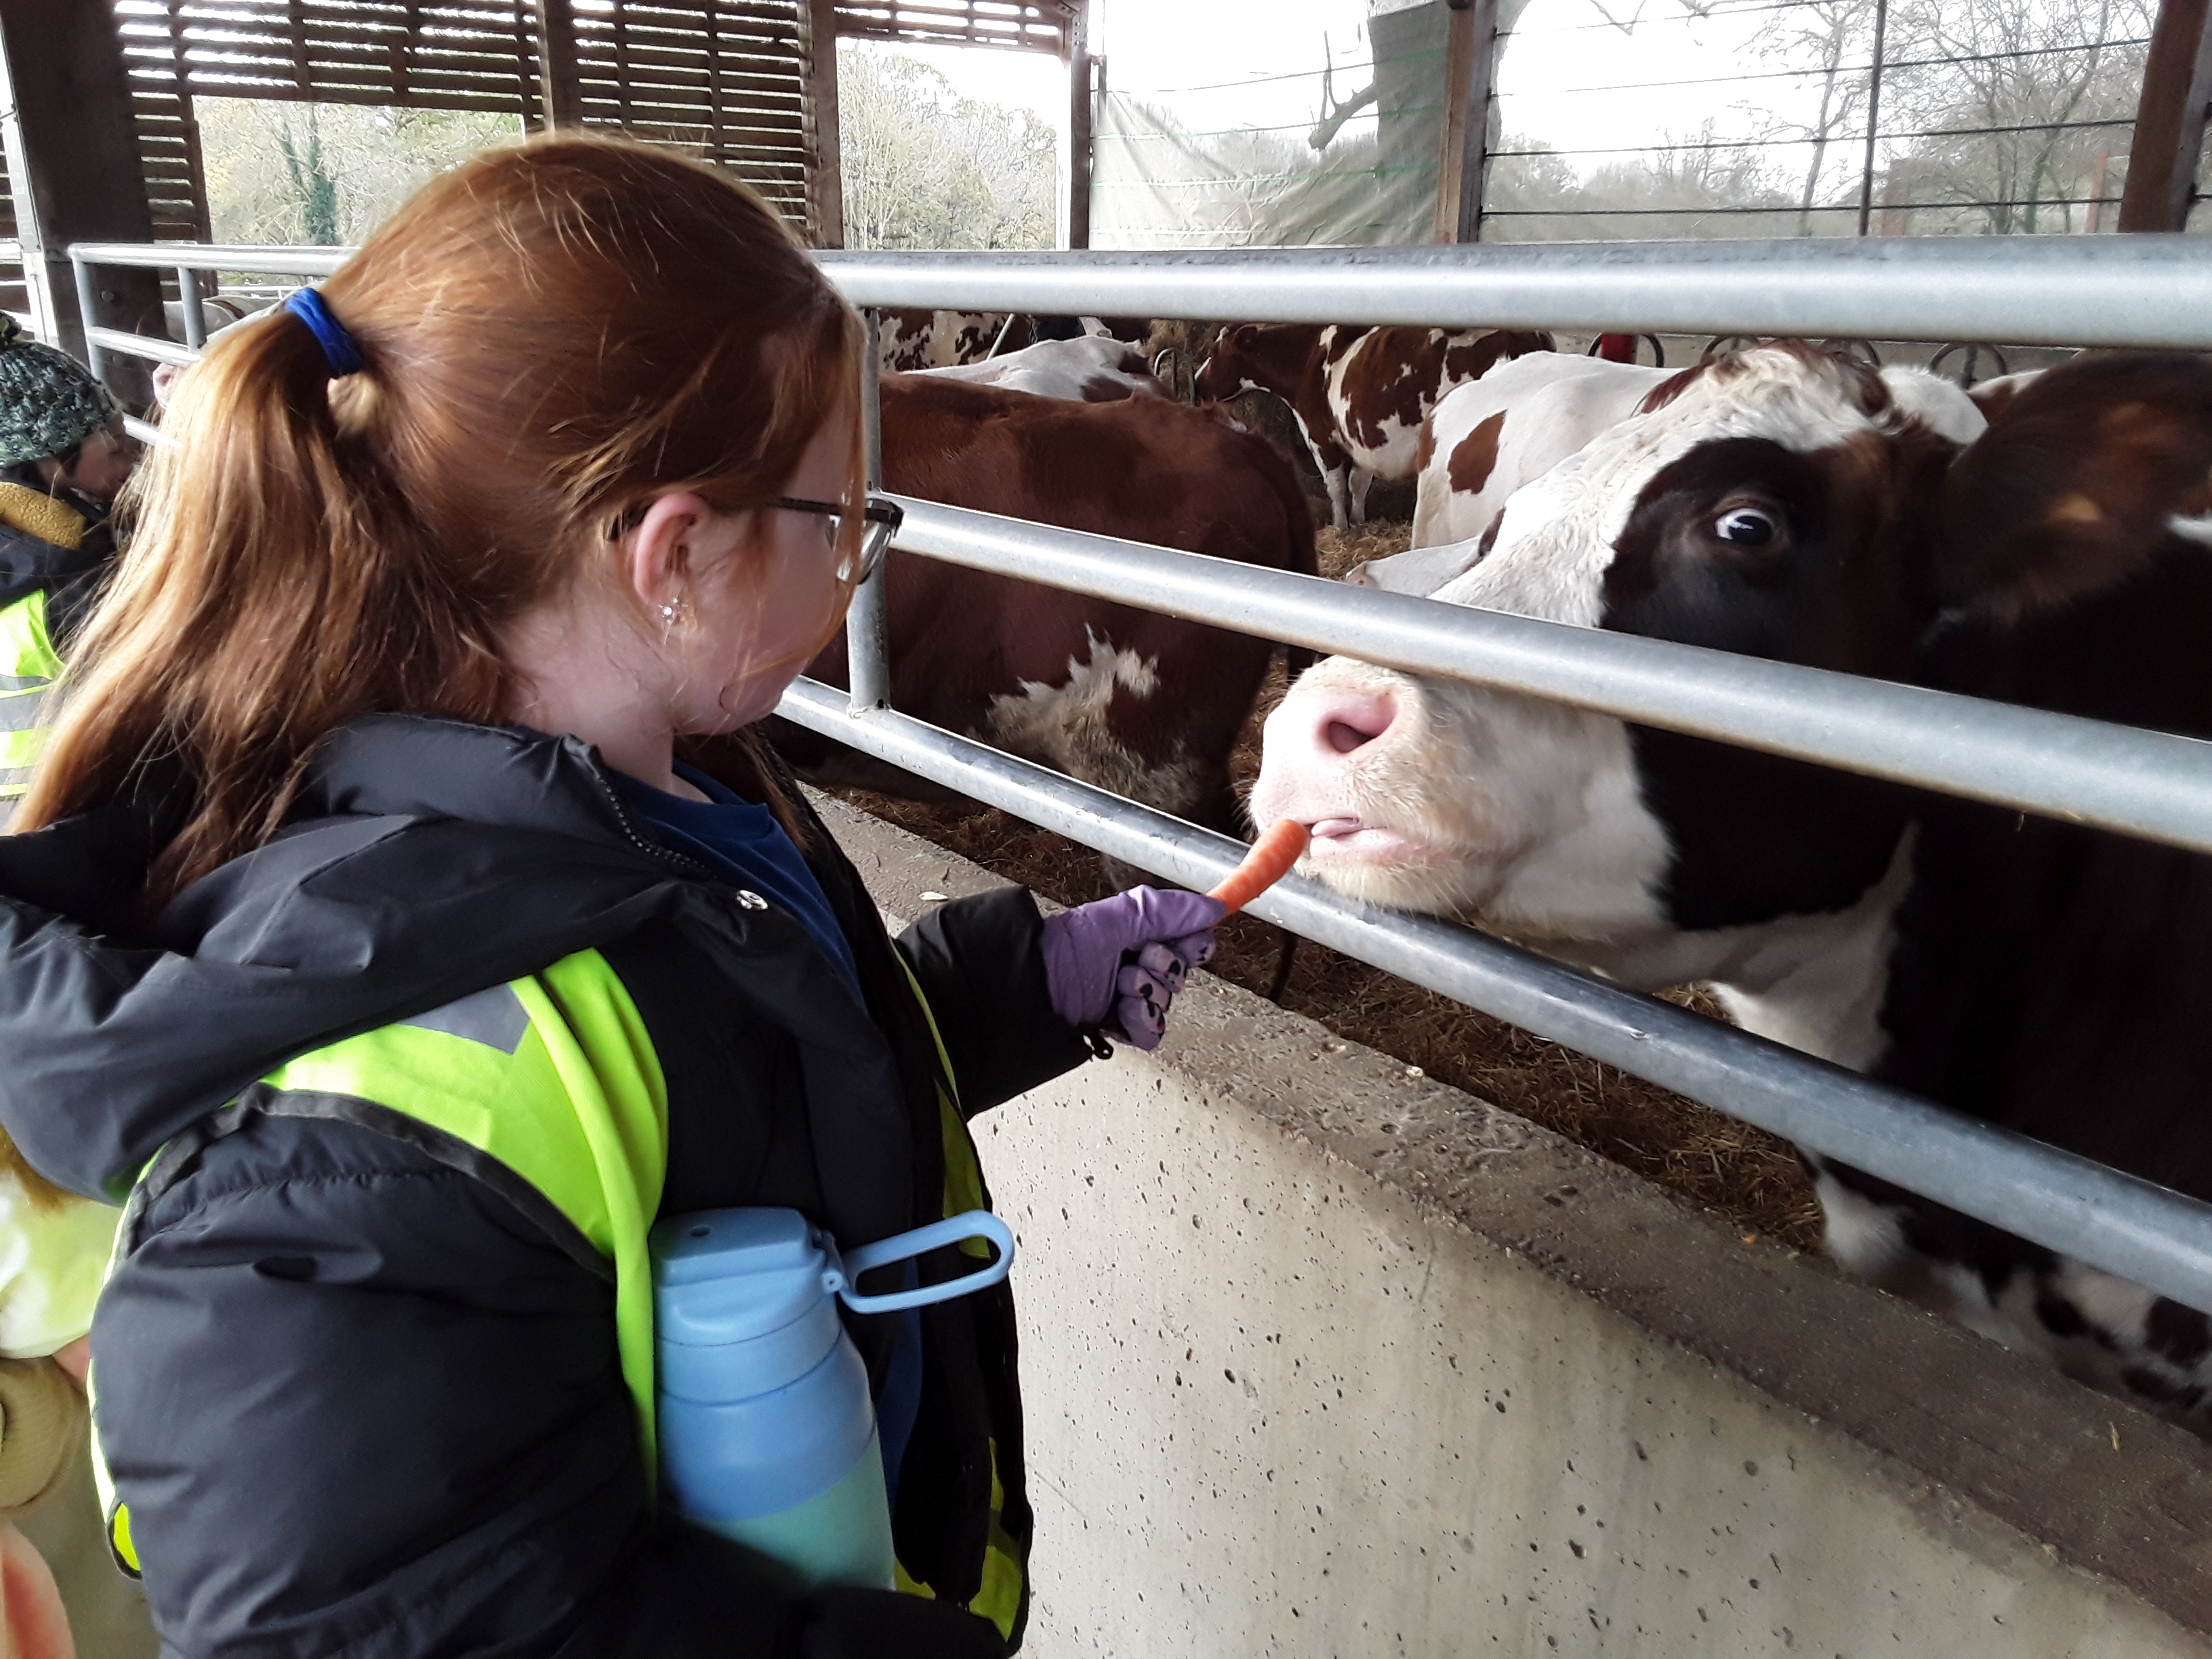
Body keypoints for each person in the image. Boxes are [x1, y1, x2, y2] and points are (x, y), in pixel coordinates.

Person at [0, 136, 1222, 1658]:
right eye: (836, 519)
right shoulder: (335, 1165)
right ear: (675, 554)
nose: (851, 563)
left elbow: (715, 1086)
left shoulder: (671, 799)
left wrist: (1015, 988)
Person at [0, 318, 138, 814]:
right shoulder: (72, 579)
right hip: (71, 806)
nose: (131, 459)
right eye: (115, 445)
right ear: (46, 460)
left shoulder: (21, 547)